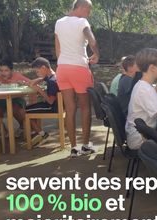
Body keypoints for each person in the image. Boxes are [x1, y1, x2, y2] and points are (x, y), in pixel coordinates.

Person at [54, 0, 100, 157]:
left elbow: (57, 48)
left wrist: (64, 63)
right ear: (82, 7)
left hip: (62, 69)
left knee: (70, 108)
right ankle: (86, 146)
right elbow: (92, 41)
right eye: (89, 10)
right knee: (85, 107)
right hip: (79, 68)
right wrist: (96, 54)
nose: (89, 13)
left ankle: (74, 148)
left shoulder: (59, 22)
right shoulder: (82, 22)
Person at [125, 48, 157, 150]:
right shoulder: (145, 89)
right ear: (152, 68)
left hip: (138, 134)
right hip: (140, 139)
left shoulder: (143, 85)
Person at [20, 57, 59, 147]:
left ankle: (41, 134)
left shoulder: (52, 81)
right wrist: (40, 79)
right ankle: (38, 133)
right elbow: (42, 79)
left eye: (37, 71)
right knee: (29, 108)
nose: (37, 74)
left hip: (52, 107)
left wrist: (40, 90)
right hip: (54, 105)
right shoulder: (52, 76)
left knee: (24, 111)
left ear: (43, 68)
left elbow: (50, 101)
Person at [0, 59, 33, 137]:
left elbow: (32, 83)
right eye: (1, 71)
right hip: (1, 99)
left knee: (15, 109)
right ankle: (3, 131)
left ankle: (23, 128)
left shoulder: (17, 76)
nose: (3, 73)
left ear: (11, 70)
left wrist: (23, 83)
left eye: (6, 70)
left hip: (16, 98)